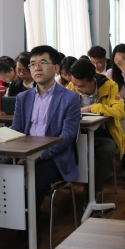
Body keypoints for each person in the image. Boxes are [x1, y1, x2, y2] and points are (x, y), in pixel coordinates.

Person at [11, 46, 80, 211]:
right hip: (25, 153)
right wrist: (18, 154)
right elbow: (16, 130)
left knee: (35, 180)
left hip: (54, 156)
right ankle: (9, 220)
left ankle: (30, 224)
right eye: (33, 64)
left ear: (56, 68)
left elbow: (67, 135)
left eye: (42, 62)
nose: (37, 67)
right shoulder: (22, 97)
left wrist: (39, 156)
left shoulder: (70, 97)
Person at [67, 59, 125, 196]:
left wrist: (92, 107)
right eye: (75, 85)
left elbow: (120, 112)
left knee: (105, 151)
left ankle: (93, 192)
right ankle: (64, 184)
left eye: (81, 86)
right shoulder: (72, 86)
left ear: (92, 79)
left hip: (103, 133)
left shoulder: (109, 86)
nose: (77, 89)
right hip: (77, 133)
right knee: (59, 147)